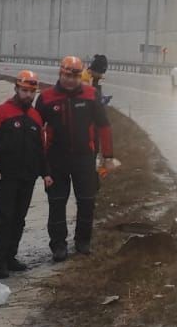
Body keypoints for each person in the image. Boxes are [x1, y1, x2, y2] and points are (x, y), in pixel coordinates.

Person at [37, 55, 118, 261]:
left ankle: (83, 242)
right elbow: (36, 129)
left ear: (80, 75)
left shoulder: (91, 95)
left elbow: (104, 126)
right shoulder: (46, 98)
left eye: (74, 76)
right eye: (66, 75)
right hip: (56, 159)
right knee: (56, 203)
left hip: (84, 158)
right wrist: (40, 161)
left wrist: (107, 156)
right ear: (60, 73)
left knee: (87, 201)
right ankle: (58, 245)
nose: (70, 80)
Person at [0, 70, 51, 279]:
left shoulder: (35, 117)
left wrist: (45, 173)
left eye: (32, 92)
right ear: (16, 89)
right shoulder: (1, 112)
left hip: (27, 177)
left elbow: (41, 147)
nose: (28, 95)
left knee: (19, 218)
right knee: (5, 217)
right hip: (6, 176)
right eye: (24, 91)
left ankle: (11, 256)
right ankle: (0, 261)